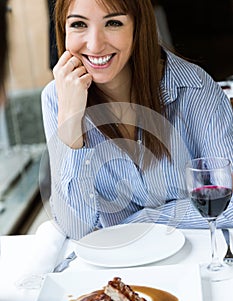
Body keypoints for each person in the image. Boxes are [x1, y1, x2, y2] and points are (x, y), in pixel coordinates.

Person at [41, 0, 233, 241]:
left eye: (113, 23)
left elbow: (230, 204)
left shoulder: (194, 88)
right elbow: (75, 229)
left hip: (195, 259)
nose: (95, 44)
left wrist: (142, 221)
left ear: (138, 27)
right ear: (63, 30)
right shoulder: (57, 98)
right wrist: (70, 122)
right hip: (116, 269)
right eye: (79, 24)